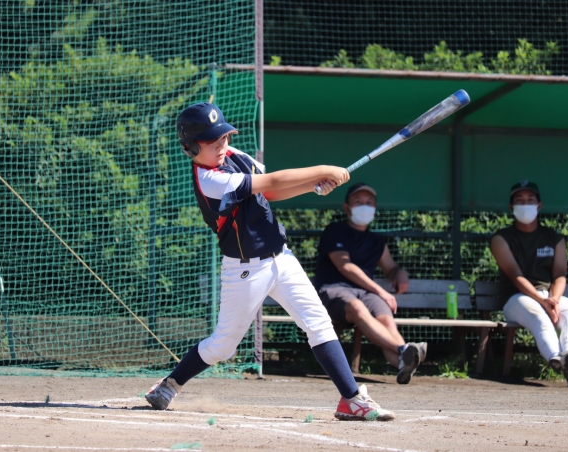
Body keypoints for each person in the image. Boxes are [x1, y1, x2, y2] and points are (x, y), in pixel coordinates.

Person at [144, 102, 395, 421]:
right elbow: (273, 182)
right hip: (246, 269)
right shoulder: (210, 181)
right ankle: (170, 384)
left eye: (224, 137)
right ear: (190, 146)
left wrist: (312, 186)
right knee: (224, 345)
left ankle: (352, 399)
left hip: (282, 257)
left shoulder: (234, 156)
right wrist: (323, 170)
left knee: (318, 322)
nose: (222, 144)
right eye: (212, 141)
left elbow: (270, 193)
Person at [315, 183, 427, 384]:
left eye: (369, 202)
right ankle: (404, 351)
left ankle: (404, 364)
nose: (364, 206)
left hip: (366, 294)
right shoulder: (335, 231)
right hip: (334, 291)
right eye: (358, 202)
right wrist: (381, 291)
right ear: (347, 208)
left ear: (375, 208)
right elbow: (345, 266)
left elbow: (390, 267)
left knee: (387, 321)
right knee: (358, 308)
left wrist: (400, 273)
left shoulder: (377, 241)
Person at [490, 180, 568, 387]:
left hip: (549, 296)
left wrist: (553, 299)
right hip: (516, 299)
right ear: (511, 206)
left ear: (539, 205)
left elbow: (560, 275)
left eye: (530, 200)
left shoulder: (554, 238)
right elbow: (516, 276)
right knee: (539, 317)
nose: (525, 204)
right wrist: (542, 301)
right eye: (519, 200)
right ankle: (558, 359)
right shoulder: (501, 238)